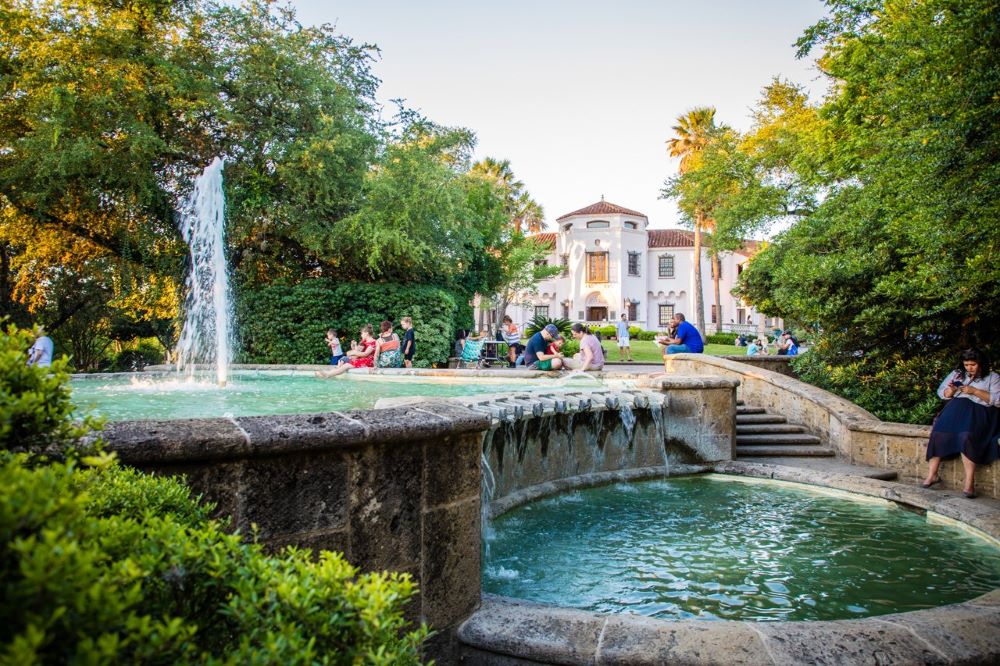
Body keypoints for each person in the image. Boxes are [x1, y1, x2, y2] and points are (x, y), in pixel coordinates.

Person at [921, 349, 1000, 498]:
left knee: (966, 436)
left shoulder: (993, 377)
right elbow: (942, 392)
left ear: (981, 363)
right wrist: (949, 392)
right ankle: (932, 475)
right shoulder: (957, 374)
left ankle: (969, 483)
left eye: (973, 364)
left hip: (980, 412)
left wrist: (975, 391)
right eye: (966, 364)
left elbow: (998, 400)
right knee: (938, 434)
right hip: (956, 410)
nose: (969, 368)